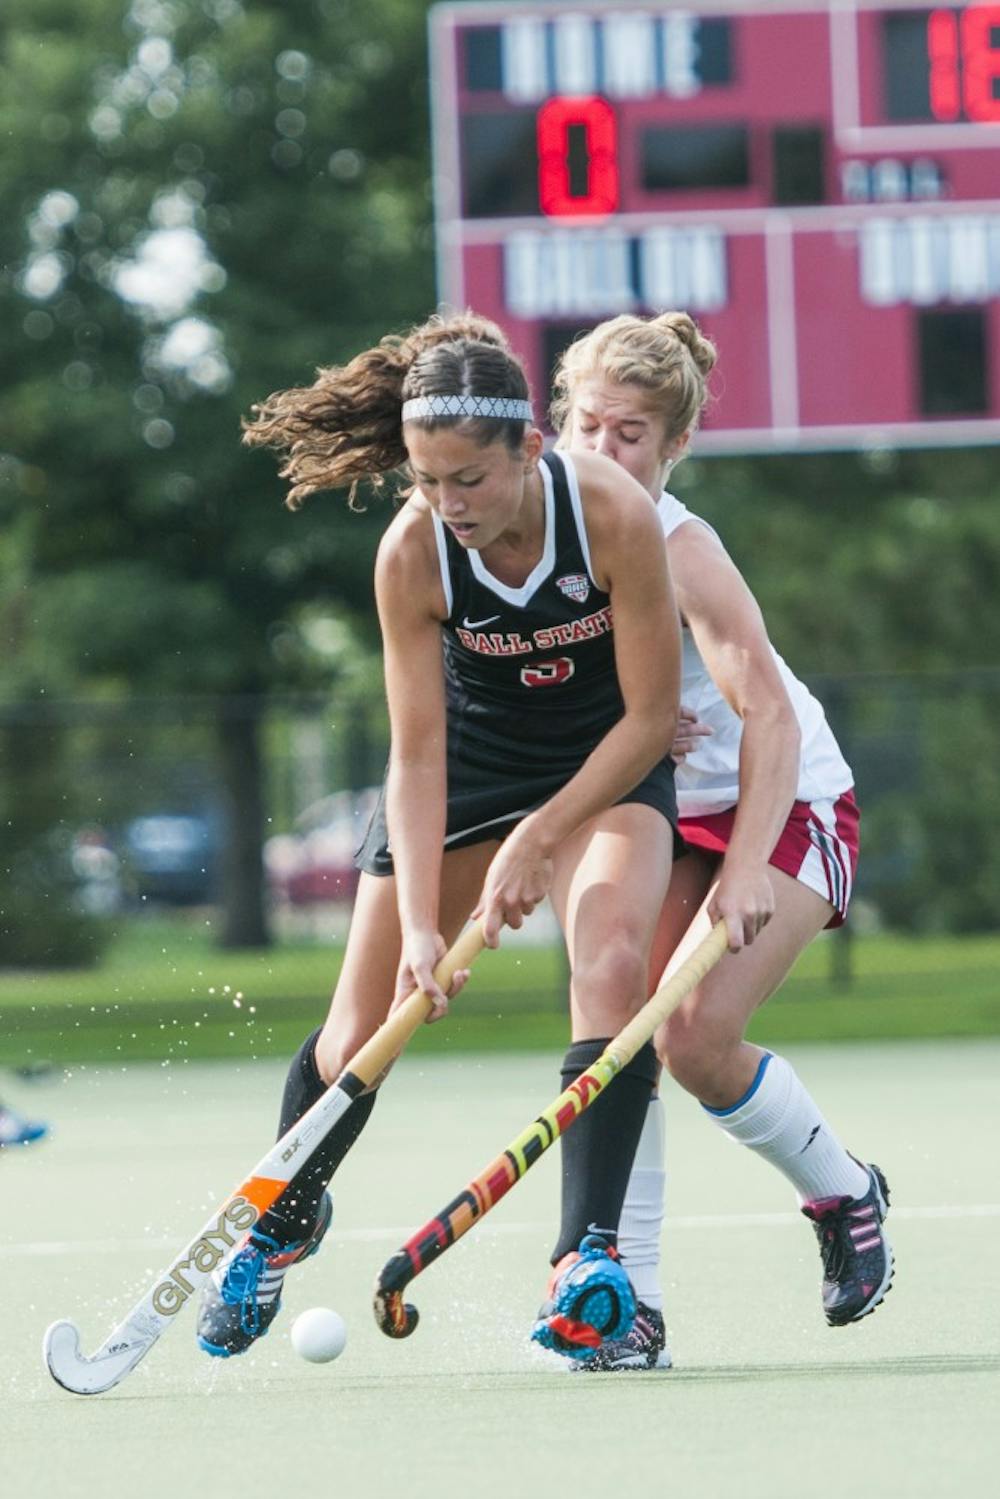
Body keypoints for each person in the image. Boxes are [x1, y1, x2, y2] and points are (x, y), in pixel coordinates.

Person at [196, 312, 683, 1361]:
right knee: (358, 1031)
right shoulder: (411, 552)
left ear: (530, 449)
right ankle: (283, 1222)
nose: (449, 502)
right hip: (467, 766)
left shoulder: (612, 514)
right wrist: (423, 923)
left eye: (469, 478)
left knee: (610, 962)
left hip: (603, 758)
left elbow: (650, 717)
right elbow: (416, 755)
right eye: (426, 479)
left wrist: (542, 836)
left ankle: (587, 1261)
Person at [551, 312, 892, 1371]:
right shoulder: (527, 531)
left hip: (779, 799)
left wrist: (746, 868)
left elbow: (770, 719)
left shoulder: (682, 550)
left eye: (631, 435)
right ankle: (628, 1305)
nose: (602, 451)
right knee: (615, 1014)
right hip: (656, 802)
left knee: (693, 1036)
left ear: (675, 446)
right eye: (587, 425)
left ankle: (842, 1189)